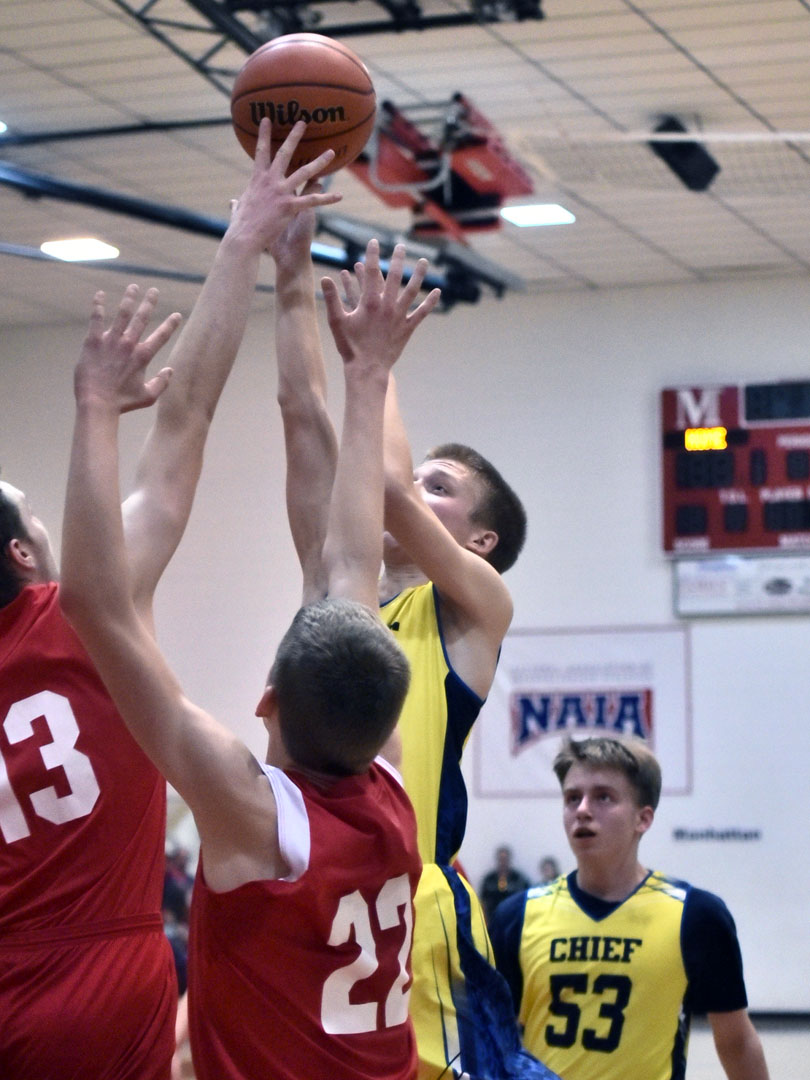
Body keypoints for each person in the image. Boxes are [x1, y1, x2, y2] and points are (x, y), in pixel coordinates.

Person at [0, 118, 340, 1080]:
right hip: (97, 972)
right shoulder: (85, 617)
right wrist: (244, 241)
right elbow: (184, 422)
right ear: (25, 554)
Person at [59, 238, 440, 1079]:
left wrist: (95, 409)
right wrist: (361, 367)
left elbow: (91, 602)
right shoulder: (391, 785)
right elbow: (347, 561)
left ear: (267, 700)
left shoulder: (256, 818)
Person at [270, 212, 557, 1080]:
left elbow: (386, 485)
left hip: (414, 900)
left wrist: (375, 364)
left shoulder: (475, 606)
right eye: (423, 475)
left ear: (480, 542)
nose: (415, 489)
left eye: (445, 486)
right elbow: (301, 417)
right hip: (314, 884)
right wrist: (289, 276)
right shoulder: (338, 590)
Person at [489, 735, 771, 1080]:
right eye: (573, 798)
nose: (582, 810)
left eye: (603, 797)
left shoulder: (696, 916)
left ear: (643, 819)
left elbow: (737, 1042)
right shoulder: (517, 916)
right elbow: (491, 1041)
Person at [480, 845, 531, 924]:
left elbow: (527, 901)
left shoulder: (519, 879)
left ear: (509, 859)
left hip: (514, 921)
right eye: (501, 859)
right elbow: (483, 902)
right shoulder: (489, 880)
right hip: (493, 920)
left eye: (505, 859)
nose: (503, 862)